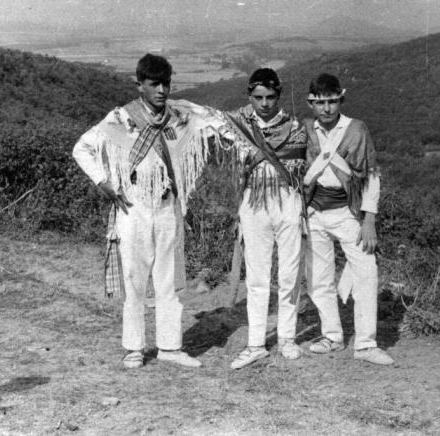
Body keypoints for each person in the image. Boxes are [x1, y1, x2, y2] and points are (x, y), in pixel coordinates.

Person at [73, 53, 222, 369]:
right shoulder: (120, 118)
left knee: (169, 280)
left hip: (167, 206)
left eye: (166, 83)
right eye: (155, 84)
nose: (162, 90)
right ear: (139, 84)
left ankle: (170, 347)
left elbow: (213, 122)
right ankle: (134, 348)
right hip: (134, 206)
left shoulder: (178, 117)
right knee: (135, 279)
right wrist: (104, 183)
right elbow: (82, 148)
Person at [302, 73, 394, 365]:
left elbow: (371, 174)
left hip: (348, 212)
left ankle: (366, 344)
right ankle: (332, 335)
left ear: (341, 100)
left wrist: (369, 221)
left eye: (332, 101)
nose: (327, 109)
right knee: (319, 278)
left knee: (366, 273)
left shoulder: (356, 129)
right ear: (311, 103)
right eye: (320, 103)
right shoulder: (305, 129)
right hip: (314, 212)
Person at [221, 68, 308, 370]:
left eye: (270, 97)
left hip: (288, 200)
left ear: (278, 95)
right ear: (250, 96)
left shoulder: (295, 127)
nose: (265, 103)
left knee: (289, 274)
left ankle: (287, 338)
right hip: (253, 202)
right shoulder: (237, 125)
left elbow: (306, 164)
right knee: (257, 277)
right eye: (258, 97)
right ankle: (256, 343)